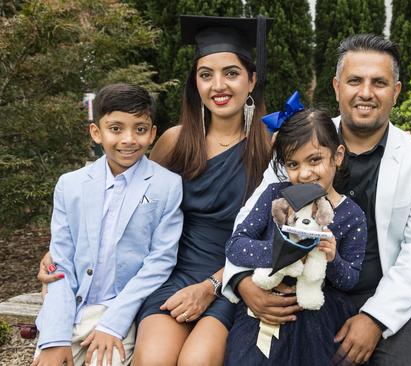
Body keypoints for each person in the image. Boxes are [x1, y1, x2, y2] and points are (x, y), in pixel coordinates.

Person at [37, 15, 272, 366]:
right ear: (196, 82)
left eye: (231, 73)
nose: (218, 85)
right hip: (170, 273)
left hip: (230, 278)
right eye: (206, 75)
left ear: (252, 80)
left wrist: (211, 285)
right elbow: (131, 199)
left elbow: (271, 233)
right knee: (153, 359)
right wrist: (62, 253)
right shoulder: (175, 141)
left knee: (197, 361)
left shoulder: (269, 147)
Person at [223, 34, 411, 365]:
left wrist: (375, 319)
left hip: (380, 295)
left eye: (379, 82)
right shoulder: (301, 143)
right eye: (355, 81)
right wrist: (242, 282)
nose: (366, 93)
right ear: (337, 86)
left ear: (396, 92)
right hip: (297, 290)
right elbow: (248, 221)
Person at [32, 83, 184, 366]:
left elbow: (160, 262)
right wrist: (55, 337)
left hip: (120, 311)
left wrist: (112, 324)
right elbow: (60, 264)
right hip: (70, 309)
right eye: (116, 129)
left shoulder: (167, 186)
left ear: (152, 134)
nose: (128, 139)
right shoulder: (70, 185)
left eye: (139, 129)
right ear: (96, 132)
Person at [224, 104, 368, 365]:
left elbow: (351, 280)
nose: (304, 173)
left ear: (337, 155)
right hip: (266, 304)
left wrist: (332, 259)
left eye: (315, 160)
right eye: (293, 163)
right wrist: (286, 252)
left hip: (319, 313)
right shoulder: (274, 196)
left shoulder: (351, 215)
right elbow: (236, 245)